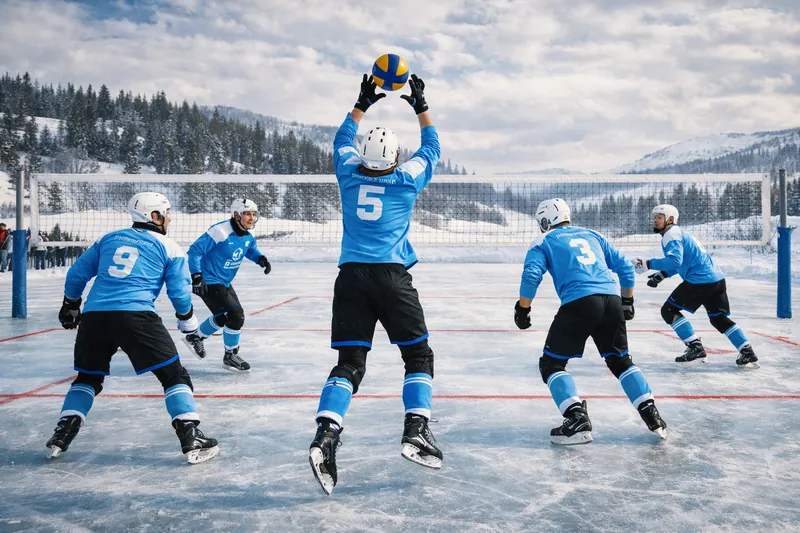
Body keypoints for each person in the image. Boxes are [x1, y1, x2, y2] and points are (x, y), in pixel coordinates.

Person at [308, 73, 442, 496]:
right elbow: (433, 149)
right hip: (391, 277)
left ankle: (326, 435)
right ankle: (416, 430)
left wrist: (361, 102)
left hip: (350, 278)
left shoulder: (348, 173)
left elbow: (342, 139)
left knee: (350, 363)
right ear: (396, 157)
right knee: (418, 356)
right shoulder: (406, 180)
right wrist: (419, 104)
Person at [46, 192, 219, 464]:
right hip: (136, 317)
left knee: (87, 379)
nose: (170, 217)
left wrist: (70, 305)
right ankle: (191, 434)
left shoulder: (107, 239)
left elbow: (77, 274)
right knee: (174, 376)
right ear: (154, 216)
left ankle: (62, 432)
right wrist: (188, 323)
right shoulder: (170, 247)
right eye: (166, 212)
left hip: (94, 317)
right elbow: (179, 293)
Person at [516, 198, 667, 445]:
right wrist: (627, 301)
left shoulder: (543, 242)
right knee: (621, 361)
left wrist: (523, 308)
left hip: (579, 303)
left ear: (545, 221)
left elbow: (532, 274)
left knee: (551, 365)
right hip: (611, 300)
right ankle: (651, 413)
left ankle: (576, 418)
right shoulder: (593, 235)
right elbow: (626, 269)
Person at [633, 204, 759, 368]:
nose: (655, 220)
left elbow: (675, 261)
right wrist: (662, 275)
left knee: (668, 310)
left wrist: (647, 264)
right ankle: (747, 351)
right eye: (654, 217)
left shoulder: (670, 235)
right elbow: (683, 262)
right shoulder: (679, 233)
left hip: (700, 281)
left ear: (670, 219)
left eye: (659, 217)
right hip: (717, 279)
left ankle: (695, 348)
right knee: (718, 318)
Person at [184, 199, 271, 372]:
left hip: (224, 281)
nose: (251, 218)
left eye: (254, 214)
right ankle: (230, 355)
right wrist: (197, 276)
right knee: (236, 316)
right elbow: (194, 251)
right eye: (247, 214)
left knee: (225, 317)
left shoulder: (248, 234)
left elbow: (250, 249)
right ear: (236, 215)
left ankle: (196, 337)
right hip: (208, 281)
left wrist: (260, 259)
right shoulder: (220, 231)